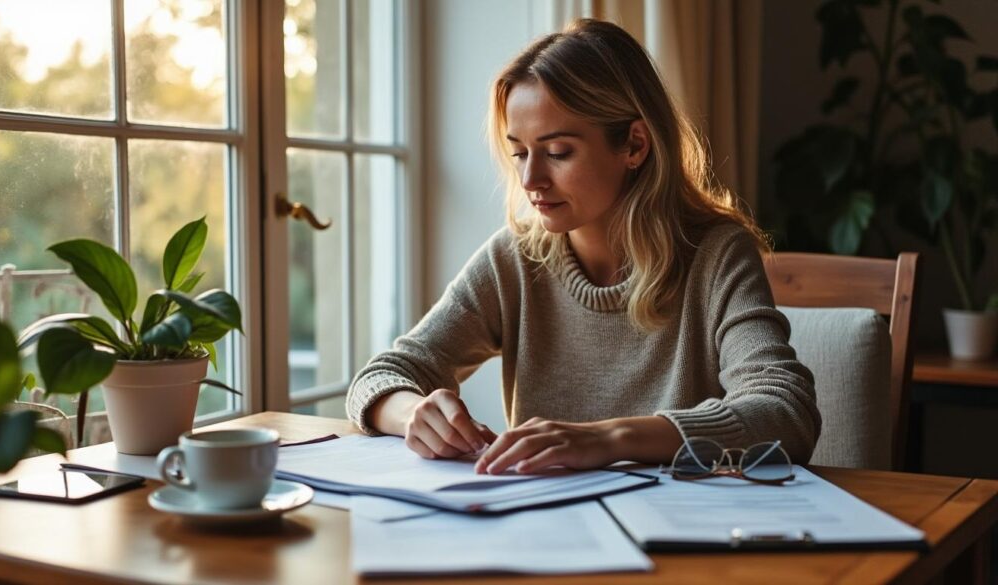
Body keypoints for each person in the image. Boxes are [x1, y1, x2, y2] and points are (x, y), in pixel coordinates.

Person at [345, 18, 820, 476]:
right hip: (548, 524)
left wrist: (608, 439)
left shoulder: (717, 255)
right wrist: (414, 414)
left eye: (558, 152)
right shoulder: (515, 258)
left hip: (680, 525)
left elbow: (785, 412)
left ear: (634, 145)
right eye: (519, 152)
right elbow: (380, 377)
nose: (530, 179)